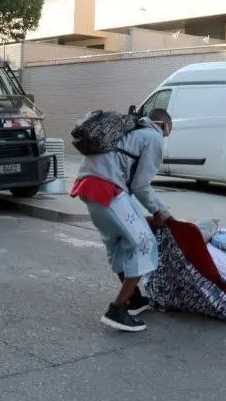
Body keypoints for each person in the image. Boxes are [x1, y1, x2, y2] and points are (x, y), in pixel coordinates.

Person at [70, 108, 175, 332]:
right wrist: (160, 212)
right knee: (145, 243)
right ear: (165, 125)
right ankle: (117, 309)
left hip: (88, 188)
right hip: (109, 189)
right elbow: (140, 186)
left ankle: (133, 299)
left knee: (117, 243)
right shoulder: (154, 136)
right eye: (168, 131)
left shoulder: (129, 130)